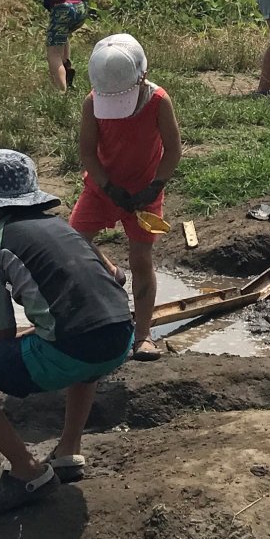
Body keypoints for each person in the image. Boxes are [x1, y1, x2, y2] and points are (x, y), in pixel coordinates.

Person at [0, 149, 135, 515]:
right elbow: (116, 278)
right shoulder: (64, 227)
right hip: (121, 334)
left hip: (73, 349)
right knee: (77, 332)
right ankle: (68, 450)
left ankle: (28, 472)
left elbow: (2, 329)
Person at [70, 34, 181, 361]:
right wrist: (108, 187)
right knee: (74, 242)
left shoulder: (159, 101)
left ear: (142, 76)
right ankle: (109, 271)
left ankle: (143, 335)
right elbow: (88, 154)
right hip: (103, 186)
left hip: (145, 190)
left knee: (141, 259)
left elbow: (173, 150)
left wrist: (155, 186)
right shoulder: (93, 102)